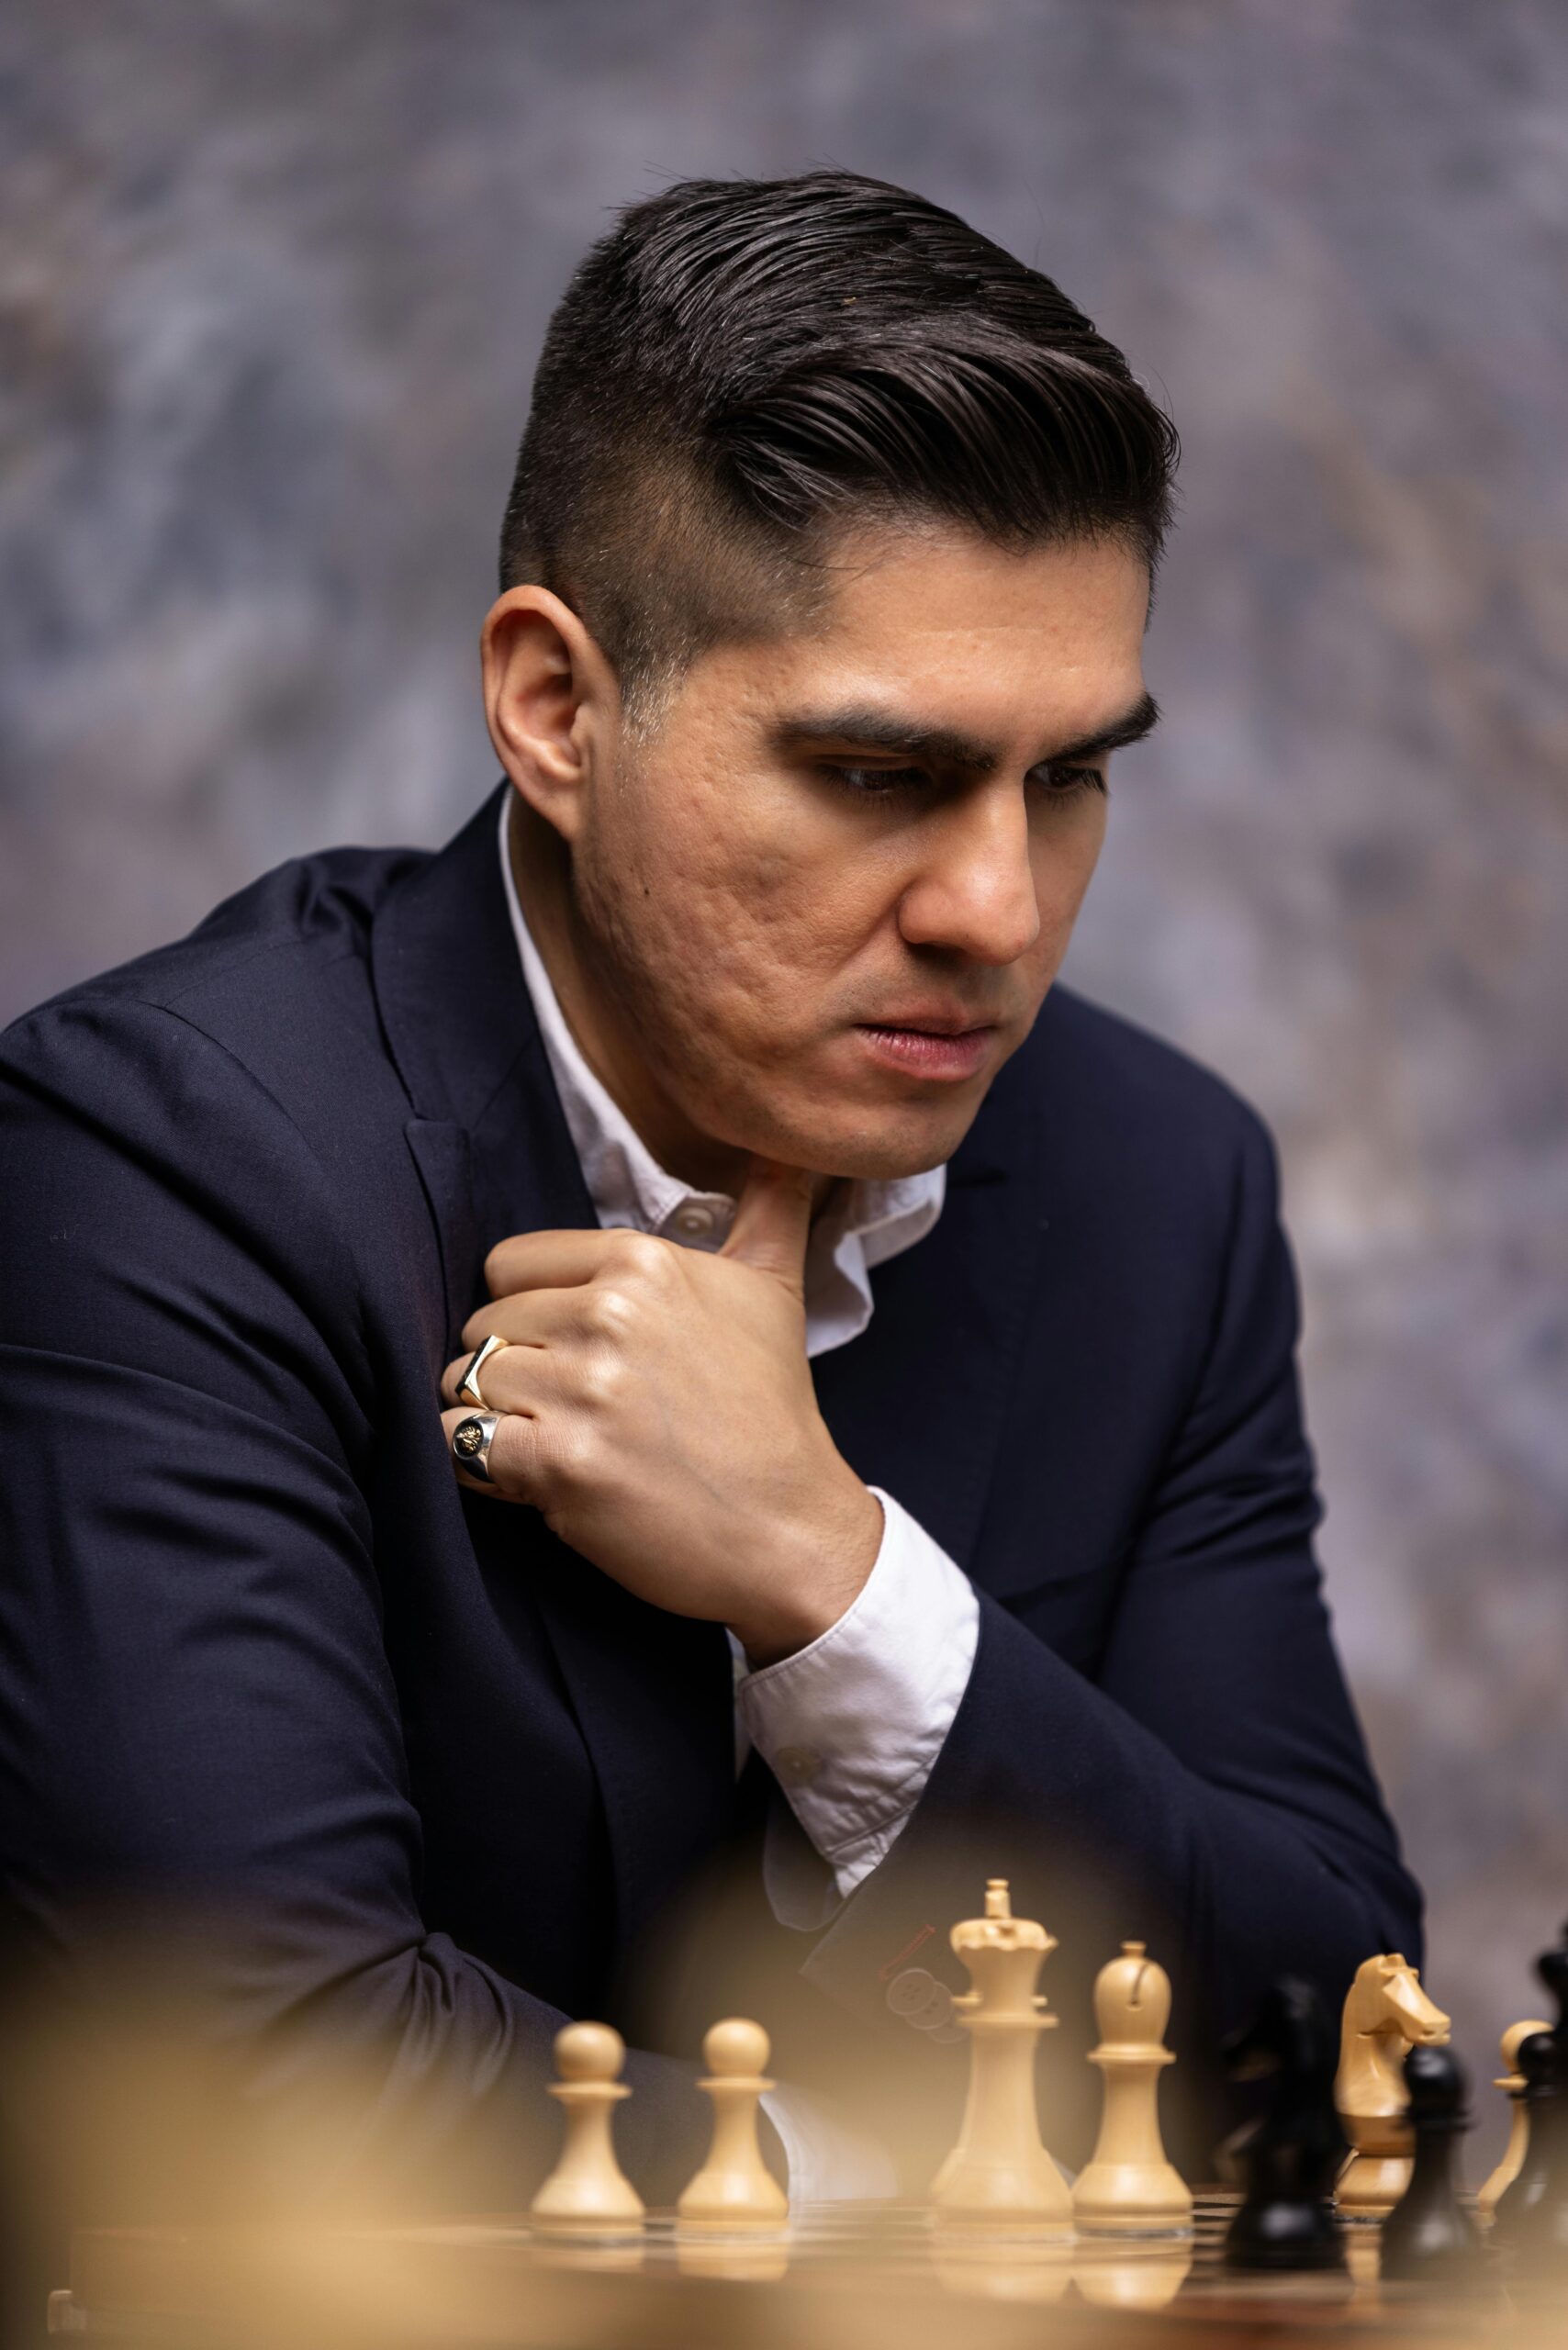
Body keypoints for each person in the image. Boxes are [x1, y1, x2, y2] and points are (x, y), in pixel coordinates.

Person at [0, 172, 1419, 2210]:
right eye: (875, 775)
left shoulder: (1154, 1183)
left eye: (1071, 774)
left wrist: (833, 1580)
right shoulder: (162, 1164)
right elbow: (253, 2081)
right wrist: (949, 2218)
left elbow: (1332, 2033)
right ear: (556, 707)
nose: (997, 908)